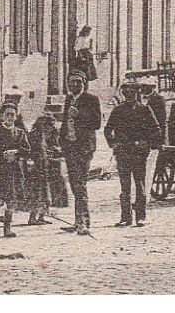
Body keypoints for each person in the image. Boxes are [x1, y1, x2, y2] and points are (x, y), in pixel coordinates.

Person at [104, 81, 161, 227]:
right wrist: (113, 143)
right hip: (123, 152)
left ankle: (140, 217)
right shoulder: (118, 110)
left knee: (140, 184)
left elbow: (156, 130)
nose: (128, 96)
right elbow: (107, 130)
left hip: (138, 153)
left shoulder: (145, 110)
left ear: (137, 94)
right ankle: (125, 217)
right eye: (125, 93)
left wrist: (146, 142)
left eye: (131, 93)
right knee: (124, 186)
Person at [60, 71, 102, 235]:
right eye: (71, 82)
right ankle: (78, 221)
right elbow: (65, 122)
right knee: (74, 184)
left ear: (84, 83)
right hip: (69, 148)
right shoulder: (68, 99)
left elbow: (97, 123)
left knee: (80, 184)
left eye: (78, 82)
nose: (74, 85)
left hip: (84, 148)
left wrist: (80, 116)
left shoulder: (91, 99)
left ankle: (84, 222)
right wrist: (61, 143)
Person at [0, 99, 31, 238]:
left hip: (14, 171)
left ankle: (7, 228)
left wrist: (16, 153)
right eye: (7, 114)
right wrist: (2, 155)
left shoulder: (20, 133)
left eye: (12, 114)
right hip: (0, 170)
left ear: (16, 116)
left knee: (11, 201)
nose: (10, 117)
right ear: (2, 116)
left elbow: (27, 149)